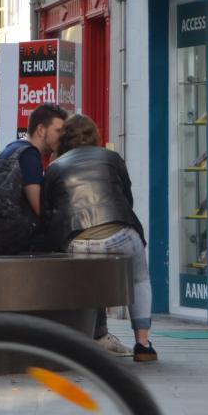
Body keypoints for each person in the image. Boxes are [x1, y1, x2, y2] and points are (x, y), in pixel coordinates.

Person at [42, 114, 158, 362]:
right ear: (95, 135)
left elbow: (48, 213)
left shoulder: (54, 168)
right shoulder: (112, 158)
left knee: (83, 284)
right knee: (139, 278)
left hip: (79, 241)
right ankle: (143, 344)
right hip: (121, 234)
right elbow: (127, 198)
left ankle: (84, 342)